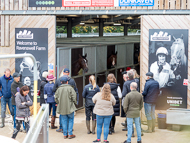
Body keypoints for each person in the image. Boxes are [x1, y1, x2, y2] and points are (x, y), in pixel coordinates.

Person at [53, 68, 79, 133]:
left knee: (63, 117)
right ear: (69, 73)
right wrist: (75, 102)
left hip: (61, 103)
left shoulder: (58, 80)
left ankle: (63, 130)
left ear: (63, 73)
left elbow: (54, 90)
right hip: (70, 104)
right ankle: (69, 131)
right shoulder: (72, 81)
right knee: (70, 118)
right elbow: (75, 93)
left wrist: (57, 101)